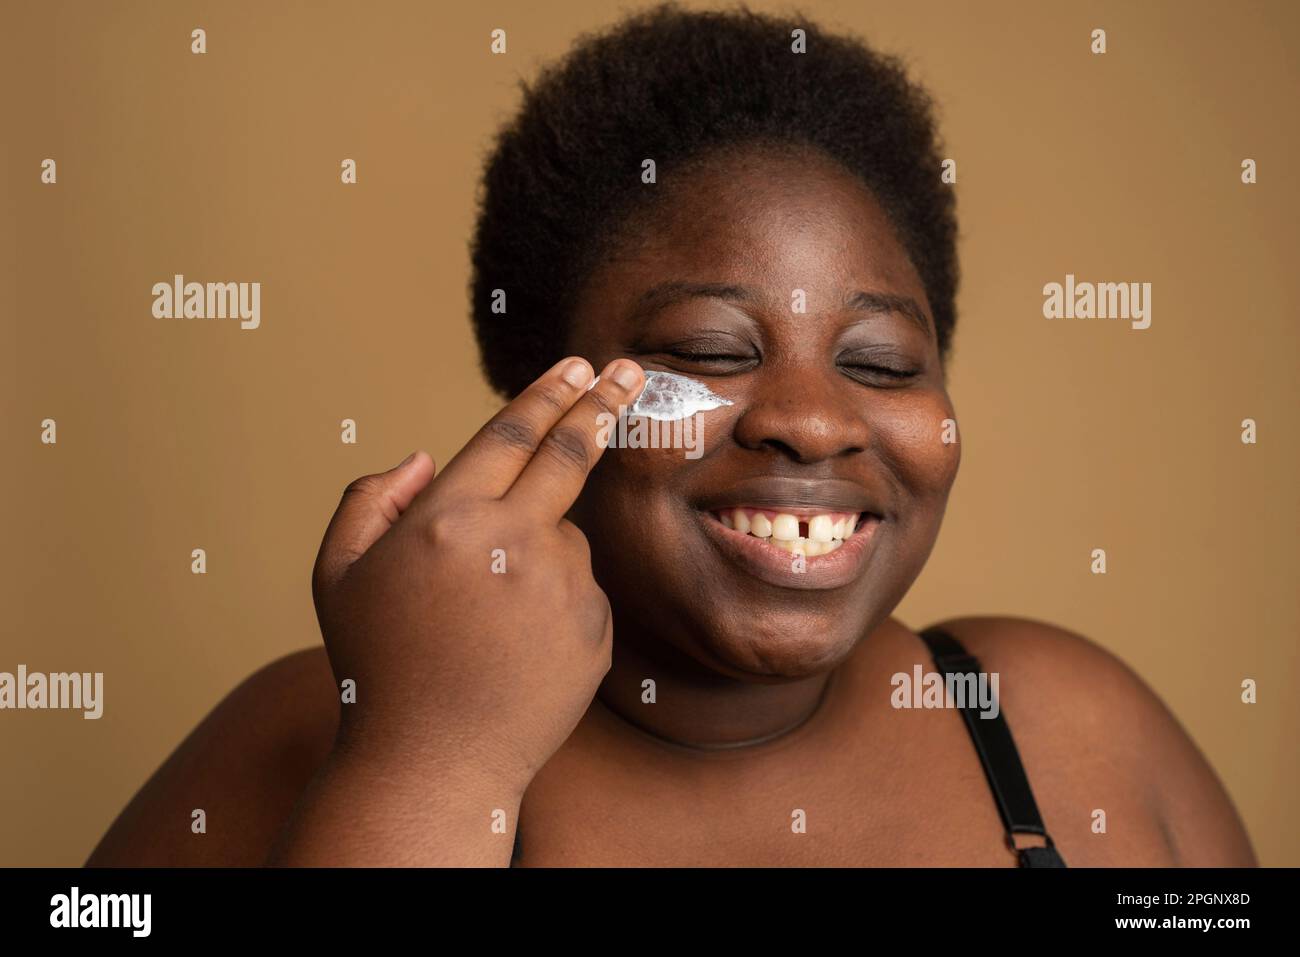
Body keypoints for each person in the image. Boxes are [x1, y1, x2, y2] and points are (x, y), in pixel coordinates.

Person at [86, 3, 1255, 867]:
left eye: (880, 363)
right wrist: (428, 766)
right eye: (708, 349)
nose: (808, 418)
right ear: (547, 397)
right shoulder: (331, 727)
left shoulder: (1061, 723)